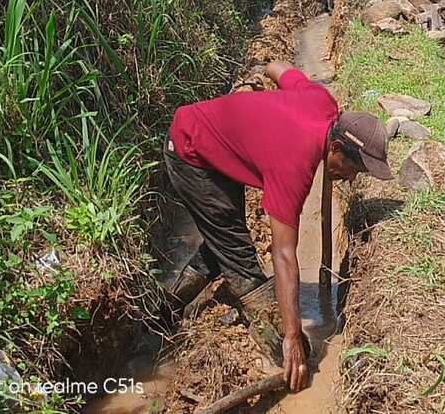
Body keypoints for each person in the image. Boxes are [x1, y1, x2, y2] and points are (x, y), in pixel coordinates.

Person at [162, 61, 394, 393]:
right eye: (353, 168)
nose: (352, 177)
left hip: (213, 144)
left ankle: (162, 314)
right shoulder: (294, 164)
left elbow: (277, 68)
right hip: (190, 151)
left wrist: (258, 79)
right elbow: (284, 255)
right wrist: (292, 336)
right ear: (336, 148)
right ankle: (286, 367)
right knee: (241, 265)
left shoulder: (323, 103)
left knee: (223, 242)